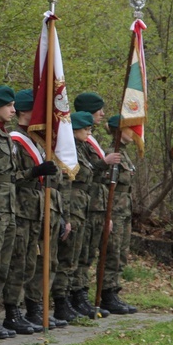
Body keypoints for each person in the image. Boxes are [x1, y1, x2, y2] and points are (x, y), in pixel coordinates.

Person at [0, 85, 57, 340]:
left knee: (4, 265)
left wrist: (34, 173)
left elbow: (10, 177)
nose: (13, 110)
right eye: (8, 106)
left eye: (13, 105)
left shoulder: (6, 136)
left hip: (10, 208)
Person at [6, 89, 60, 332]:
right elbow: (7, 178)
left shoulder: (36, 142)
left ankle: (32, 308)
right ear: (26, 112)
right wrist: (34, 173)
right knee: (19, 262)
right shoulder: (14, 140)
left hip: (36, 210)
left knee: (32, 262)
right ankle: (12, 311)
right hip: (20, 209)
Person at [72, 92, 119, 318]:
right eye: (99, 109)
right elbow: (84, 171)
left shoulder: (89, 138)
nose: (102, 114)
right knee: (79, 254)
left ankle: (81, 294)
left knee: (88, 253)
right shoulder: (77, 141)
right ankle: (74, 296)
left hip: (94, 204)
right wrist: (103, 163)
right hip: (84, 205)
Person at [58, 112, 96, 318]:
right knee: (67, 257)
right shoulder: (68, 151)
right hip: (72, 206)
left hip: (81, 207)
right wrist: (67, 216)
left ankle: (72, 297)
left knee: (76, 257)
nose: (89, 133)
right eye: (85, 129)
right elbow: (66, 184)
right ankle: (61, 301)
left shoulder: (82, 150)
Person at [98, 115, 138, 314]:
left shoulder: (124, 154)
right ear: (119, 131)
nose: (135, 132)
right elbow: (105, 187)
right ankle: (106, 293)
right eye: (130, 128)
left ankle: (114, 289)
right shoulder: (111, 153)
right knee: (111, 252)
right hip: (114, 210)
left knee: (121, 253)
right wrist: (108, 215)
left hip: (125, 210)